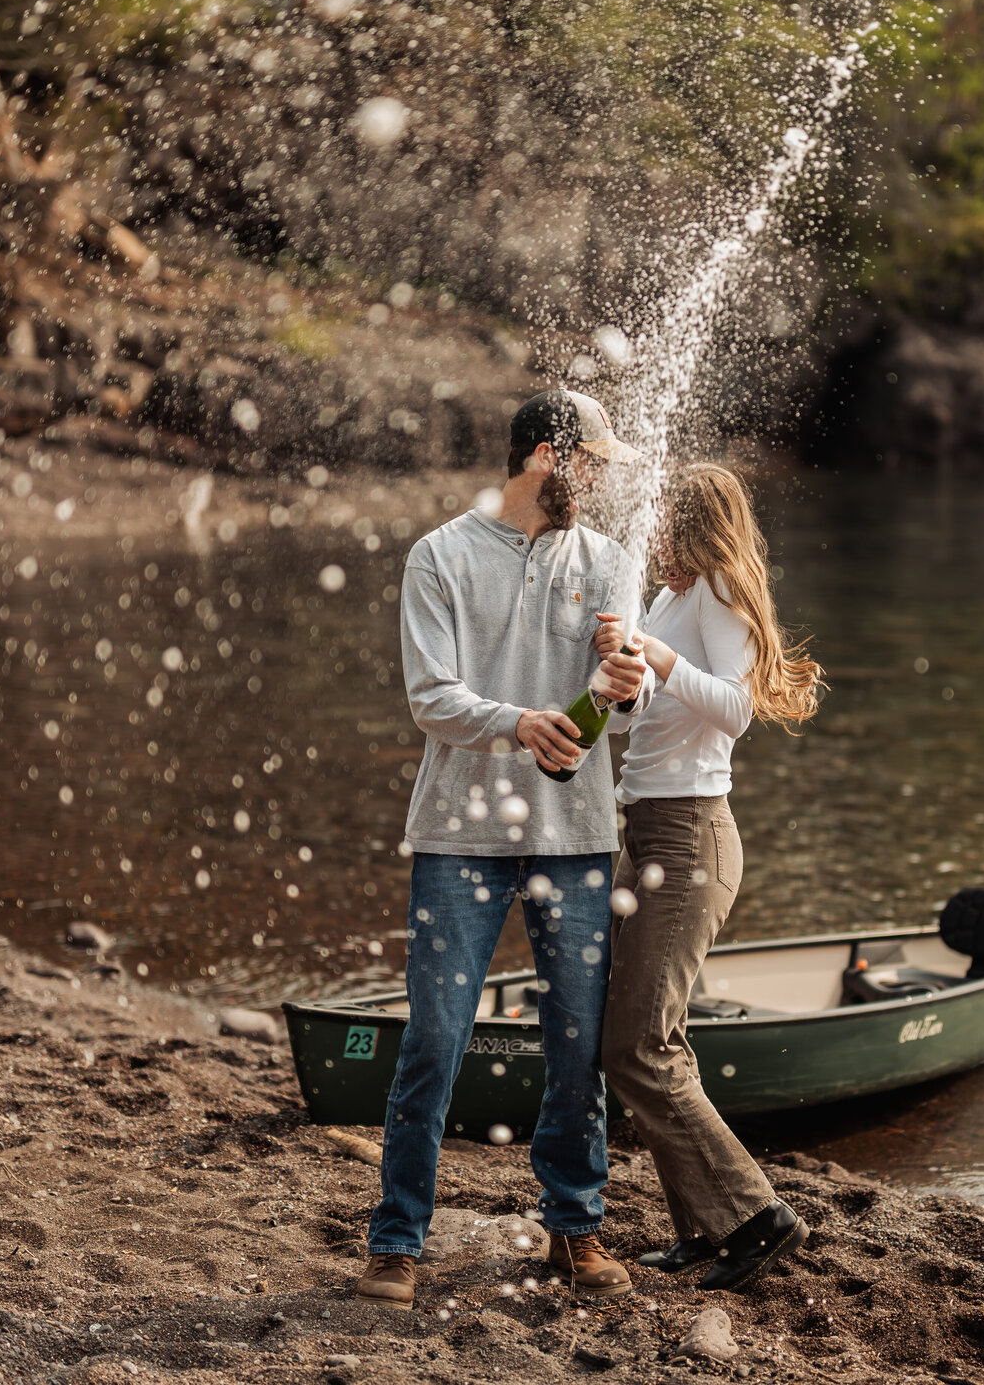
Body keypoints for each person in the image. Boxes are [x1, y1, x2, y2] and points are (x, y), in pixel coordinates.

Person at [359, 389, 650, 1310]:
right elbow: (432, 699)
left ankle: (575, 1225)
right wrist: (520, 723)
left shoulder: (611, 563)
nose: (598, 481)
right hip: (459, 836)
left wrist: (626, 682)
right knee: (434, 1039)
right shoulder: (439, 556)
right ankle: (396, 1242)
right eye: (590, 462)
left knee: (577, 1044)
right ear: (547, 458)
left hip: (576, 838)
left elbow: (613, 715)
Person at [598, 463, 822, 1293]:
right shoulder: (669, 597)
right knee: (651, 1039)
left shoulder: (720, 589)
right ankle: (702, 1228)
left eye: (661, 515)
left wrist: (656, 654)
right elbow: (640, 722)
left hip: (691, 837)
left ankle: (758, 1218)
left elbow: (736, 708)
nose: (650, 528)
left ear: (690, 522)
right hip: (647, 829)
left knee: (635, 1045)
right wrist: (623, 683)